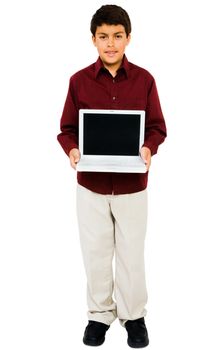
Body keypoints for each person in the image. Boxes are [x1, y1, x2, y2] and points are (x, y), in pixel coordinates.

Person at [57, 4, 167, 348]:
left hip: (133, 184)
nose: (110, 43)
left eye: (117, 36)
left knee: (132, 253)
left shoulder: (145, 80)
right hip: (91, 185)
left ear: (128, 38)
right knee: (96, 252)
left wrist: (148, 149)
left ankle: (134, 317)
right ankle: (99, 315)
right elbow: (66, 129)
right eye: (103, 36)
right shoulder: (78, 81)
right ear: (93, 40)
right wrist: (74, 151)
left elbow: (157, 128)